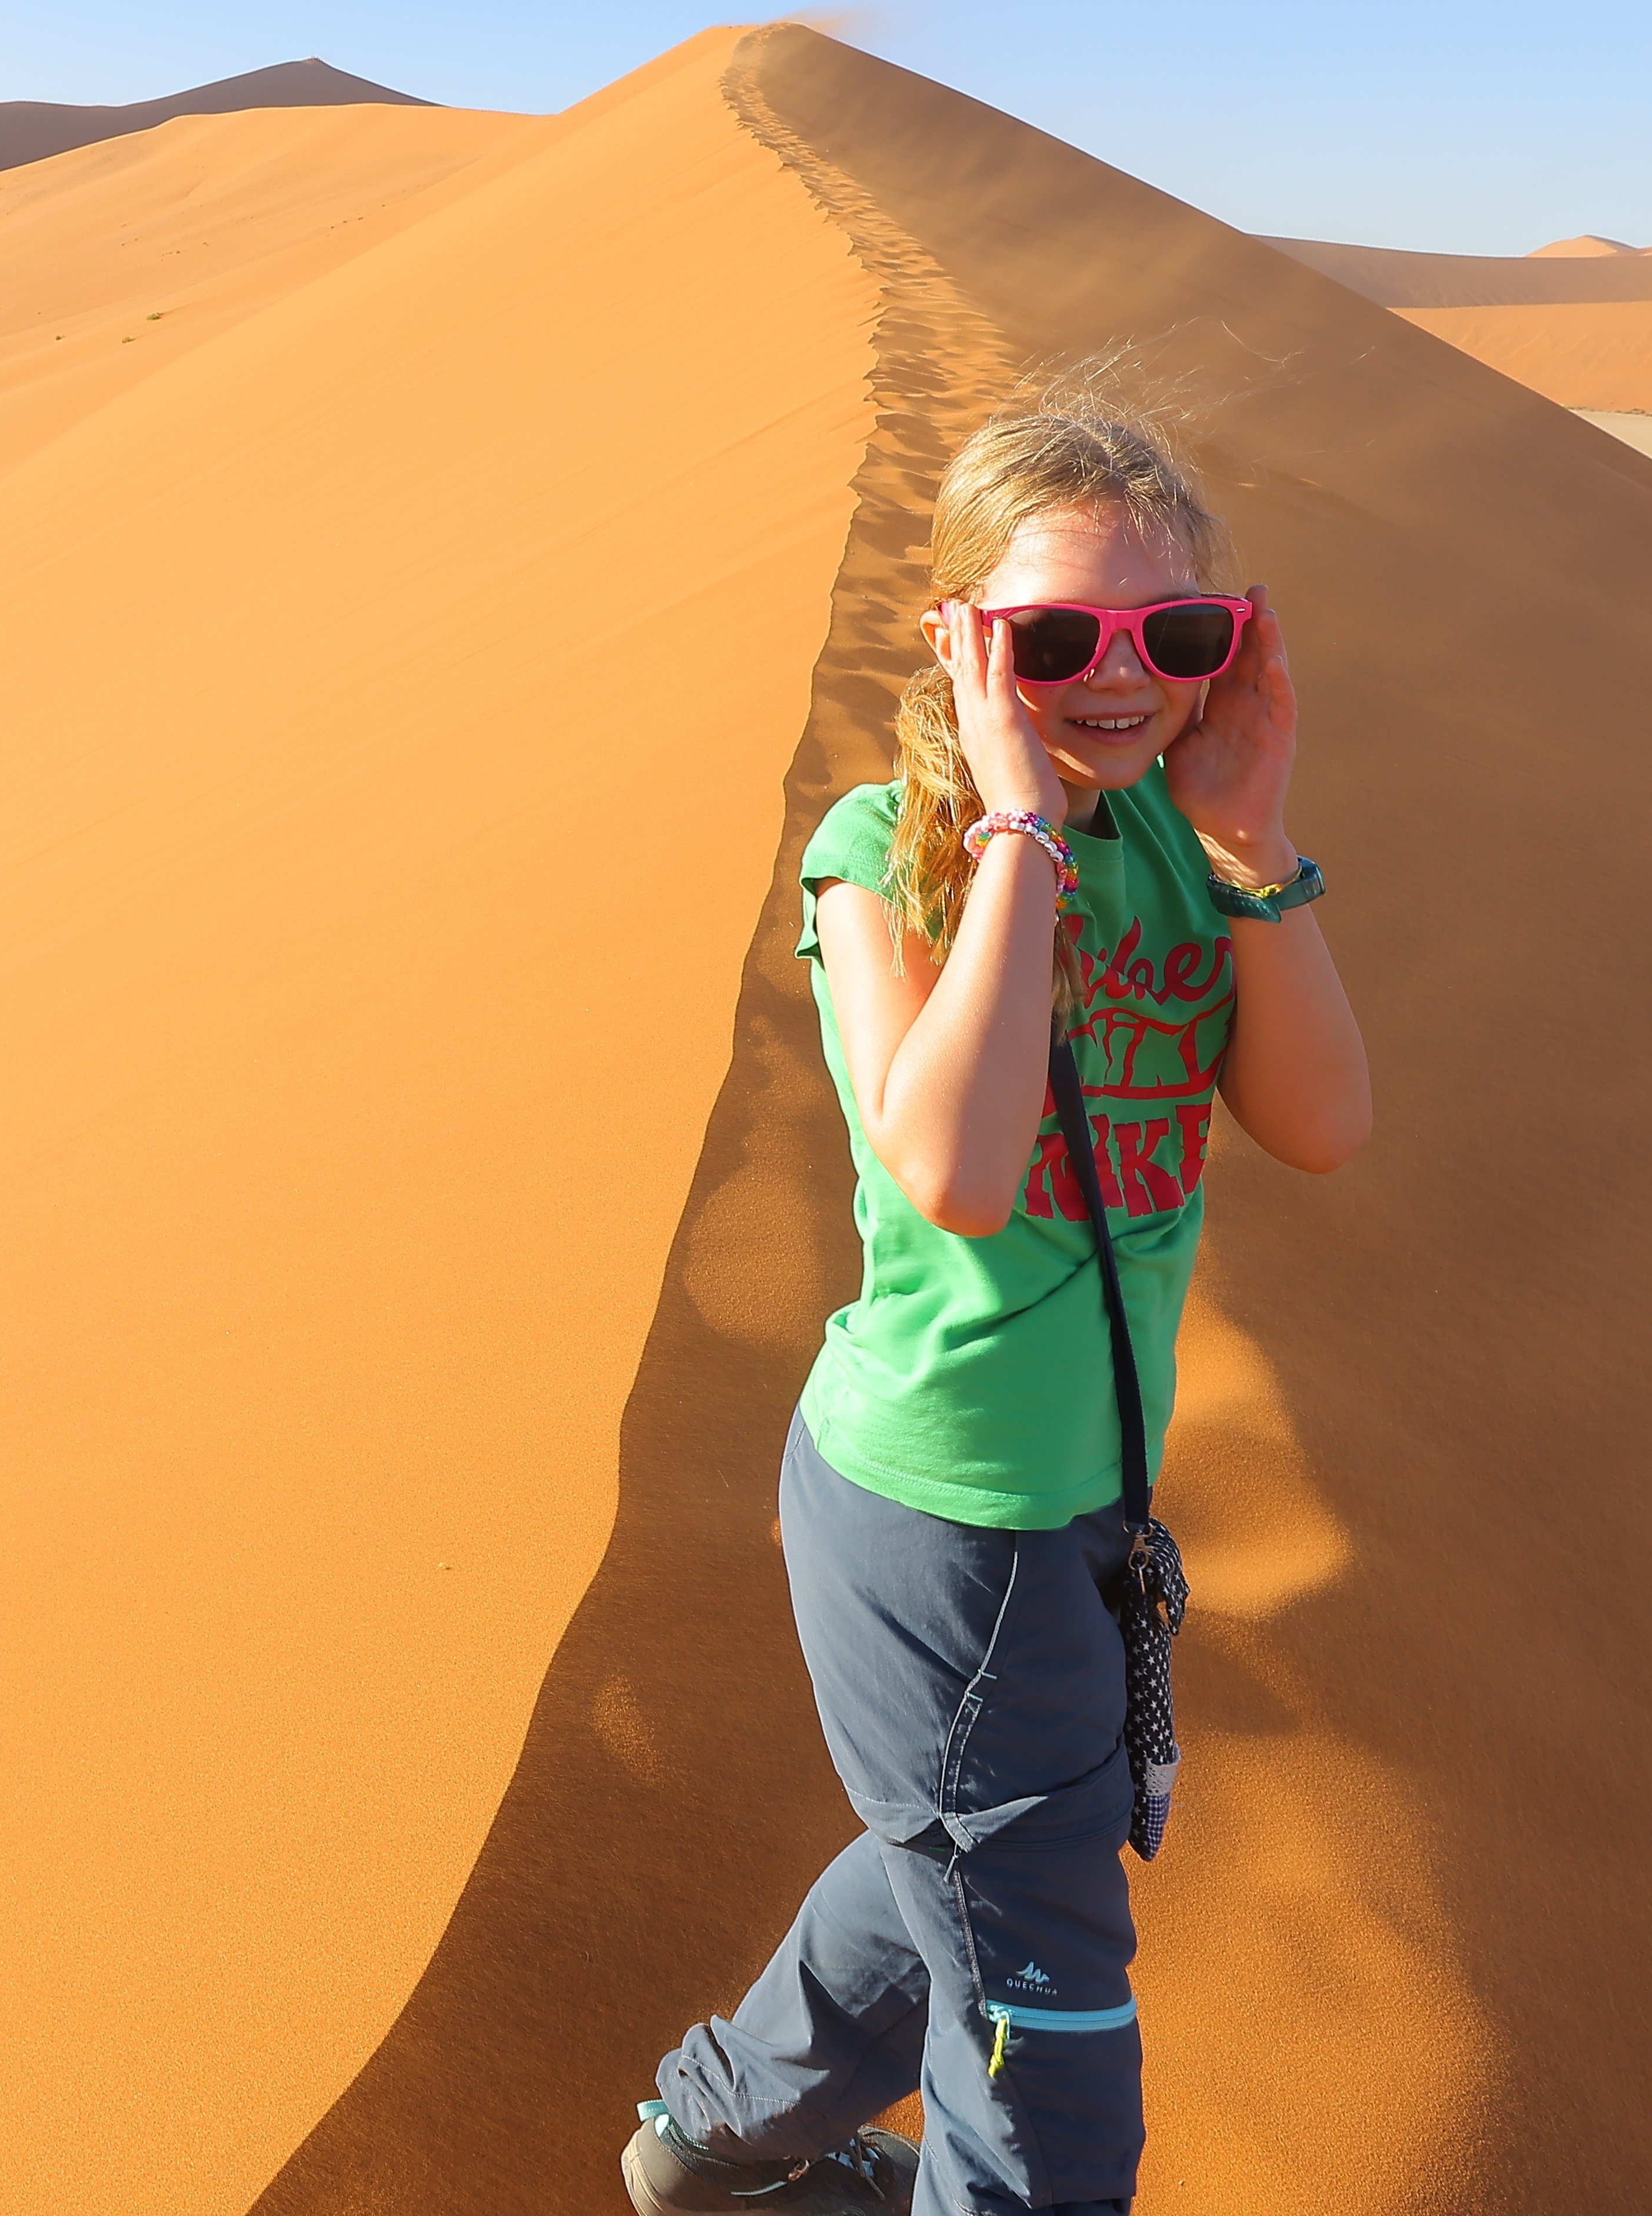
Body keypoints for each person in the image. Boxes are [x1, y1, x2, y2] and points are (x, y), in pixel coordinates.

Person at [624, 394, 1374, 2215]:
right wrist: (1018, 833)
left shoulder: (1193, 867)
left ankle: (713, 2142)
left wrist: (1253, 840)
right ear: (963, 639)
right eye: (1055, 639)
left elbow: (1323, 1122)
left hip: (1078, 1513)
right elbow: (950, 1166)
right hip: (931, 1519)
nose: (1118, 676)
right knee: (1052, 2053)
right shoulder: (882, 852)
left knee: (948, 1864)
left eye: (1172, 634)